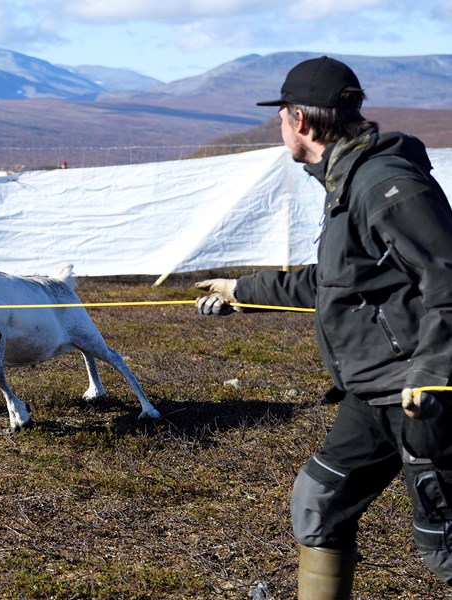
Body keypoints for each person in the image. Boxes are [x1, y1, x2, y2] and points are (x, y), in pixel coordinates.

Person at [194, 57, 452, 596]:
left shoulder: (387, 184)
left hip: (424, 399)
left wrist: (431, 374)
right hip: (374, 396)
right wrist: (241, 291)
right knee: (318, 504)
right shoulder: (347, 179)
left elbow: (448, 279)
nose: (280, 126)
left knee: (444, 546)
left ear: (301, 122)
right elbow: (339, 280)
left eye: (281, 116)